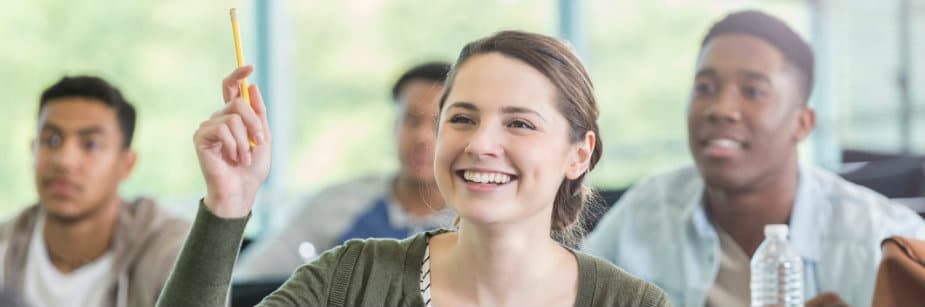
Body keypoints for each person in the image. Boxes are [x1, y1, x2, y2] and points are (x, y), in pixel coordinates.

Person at [156, 30, 671, 307]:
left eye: (519, 124)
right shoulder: (351, 279)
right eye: (462, 118)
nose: (480, 144)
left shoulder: (629, 304)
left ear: (578, 154)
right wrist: (229, 203)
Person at [583, 10, 925, 307]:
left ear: (802, 123)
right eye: (705, 87)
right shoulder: (646, 211)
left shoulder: (881, 238)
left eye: (753, 91)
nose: (721, 110)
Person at [235, 63, 455, 280]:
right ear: (394, 126)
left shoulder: (475, 222)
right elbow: (247, 279)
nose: (422, 137)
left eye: (438, 124)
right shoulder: (335, 205)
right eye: (411, 120)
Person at [0, 76, 190, 307]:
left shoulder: (170, 250)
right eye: (52, 140)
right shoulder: (6, 243)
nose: (64, 161)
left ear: (126, 164)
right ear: (33, 150)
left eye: (91, 144)